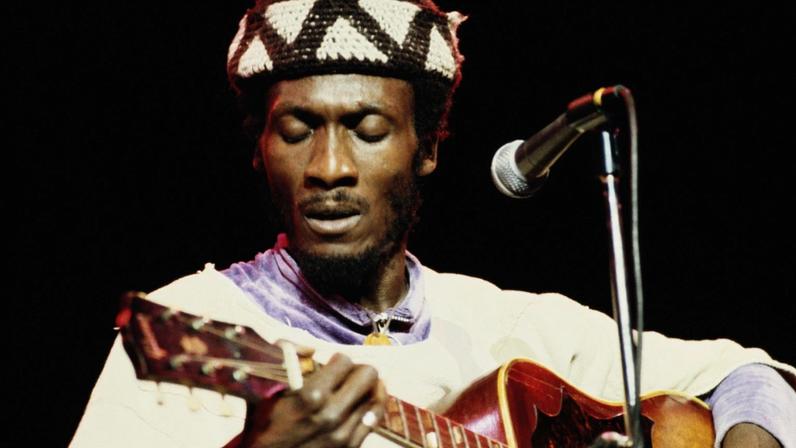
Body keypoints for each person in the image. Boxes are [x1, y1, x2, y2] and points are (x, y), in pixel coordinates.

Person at [71, 1, 796, 447]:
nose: (329, 166)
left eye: (367, 128)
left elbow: (750, 374)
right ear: (259, 151)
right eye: (297, 129)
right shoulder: (191, 320)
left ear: (425, 151)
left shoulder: (517, 327)